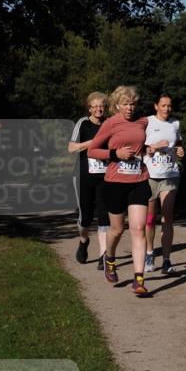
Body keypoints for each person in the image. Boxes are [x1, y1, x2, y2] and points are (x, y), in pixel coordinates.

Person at [88, 86, 151, 297]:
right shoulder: (110, 123)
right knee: (117, 230)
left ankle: (139, 279)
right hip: (115, 182)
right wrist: (115, 153)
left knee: (139, 228)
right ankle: (110, 258)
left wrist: (149, 148)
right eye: (125, 104)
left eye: (133, 103)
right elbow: (92, 150)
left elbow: (145, 142)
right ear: (117, 105)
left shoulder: (143, 121)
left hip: (139, 180)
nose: (130, 108)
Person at [144, 93, 184, 275]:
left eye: (169, 105)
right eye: (163, 105)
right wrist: (153, 148)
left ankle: (167, 260)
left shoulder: (175, 124)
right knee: (150, 219)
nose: (167, 108)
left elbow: (178, 145)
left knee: (167, 218)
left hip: (170, 174)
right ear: (156, 106)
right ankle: (149, 254)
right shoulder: (147, 122)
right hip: (151, 175)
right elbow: (140, 146)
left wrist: (180, 150)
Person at [69, 92, 109, 268]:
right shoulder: (82, 123)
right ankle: (84, 241)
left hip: (105, 176)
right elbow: (71, 148)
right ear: (90, 108)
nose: (99, 109)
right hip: (83, 175)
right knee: (85, 217)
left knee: (104, 215)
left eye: (102, 106)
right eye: (95, 106)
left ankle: (104, 256)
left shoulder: (109, 123)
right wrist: (94, 142)